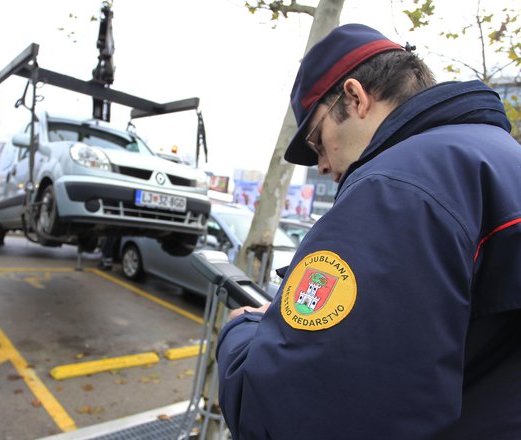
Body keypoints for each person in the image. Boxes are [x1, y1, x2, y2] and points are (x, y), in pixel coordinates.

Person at [216, 24, 521, 439]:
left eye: (318, 141)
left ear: (356, 97)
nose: (321, 166)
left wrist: (240, 332)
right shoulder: (499, 159)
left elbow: (295, 413)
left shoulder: (397, 186)